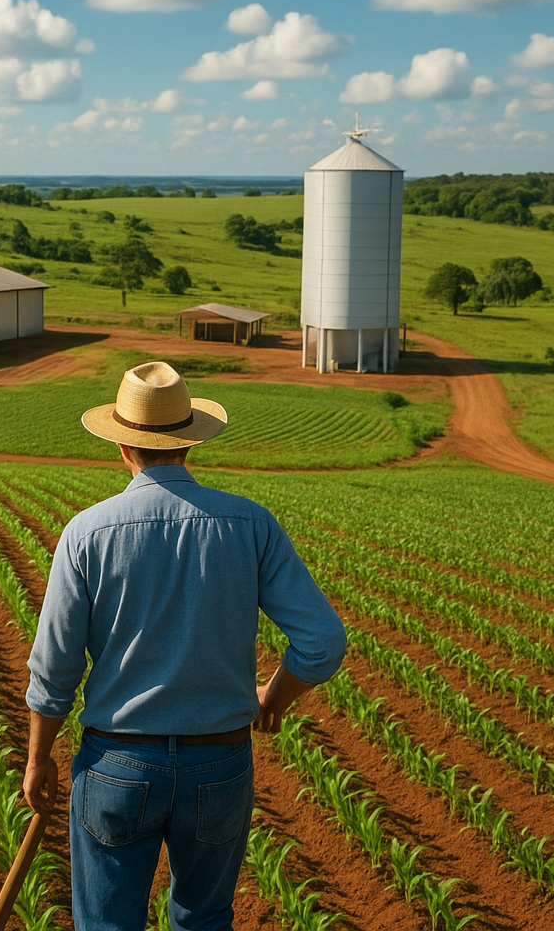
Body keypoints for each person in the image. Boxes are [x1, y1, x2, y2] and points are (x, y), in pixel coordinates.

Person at [23, 360, 347, 931]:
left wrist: (38, 757)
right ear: (190, 441)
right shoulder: (251, 524)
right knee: (204, 921)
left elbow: (55, 667)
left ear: (123, 446)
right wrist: (273, 697)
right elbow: (323, 642)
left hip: (116, 764)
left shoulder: (87, 533)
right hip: (219, 763)